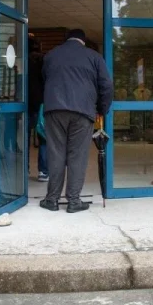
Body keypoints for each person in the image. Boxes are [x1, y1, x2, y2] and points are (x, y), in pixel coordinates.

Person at [40, 29, 113, 213]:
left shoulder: (51, 55)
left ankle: (52, 200)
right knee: (77, 156)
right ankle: (73, 201)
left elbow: (44, 80)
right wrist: (101, 110)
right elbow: (107, 85)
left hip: (54, 110)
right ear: (83, 41)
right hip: (83, 112)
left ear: (66, 40)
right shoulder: (93, 57)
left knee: (56, 154)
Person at [28, 37, 48, 181]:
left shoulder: (23, 60)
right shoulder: (44, 61)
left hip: (24, 104)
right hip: (42, 103)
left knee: (24, 138)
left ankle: (23, 169)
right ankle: (43, 171)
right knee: (43, 139)